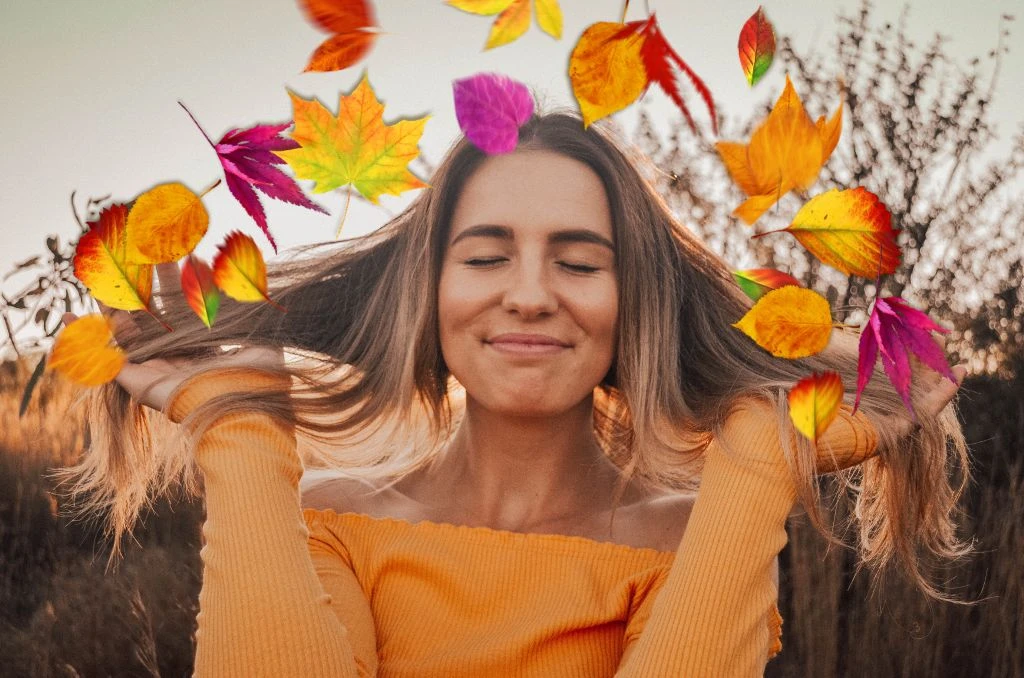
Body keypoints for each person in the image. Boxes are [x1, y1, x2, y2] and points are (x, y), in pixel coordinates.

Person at [59, 109, 969, 677]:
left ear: (634, 301)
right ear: (429, 294)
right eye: (486, 256)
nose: (529, 293)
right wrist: (247, 431)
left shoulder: (696, 537)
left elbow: (920, 371)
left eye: (579, 262)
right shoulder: (333, 522)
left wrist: (759, 451)